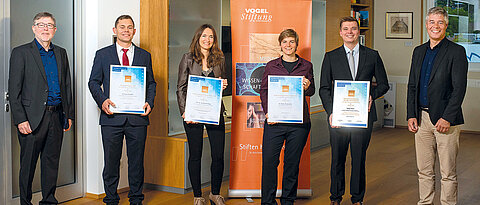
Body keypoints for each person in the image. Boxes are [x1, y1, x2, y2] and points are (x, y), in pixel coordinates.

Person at [319, 16, 389, 205]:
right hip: (338, 117)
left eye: (353, 28)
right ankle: (335, 197)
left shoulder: (372, 55)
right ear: (340, 32)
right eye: (346, 29)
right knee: (337, 159)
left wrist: (371, 95)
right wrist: (330, 112)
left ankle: (357, 198)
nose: (350, 32)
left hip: (362, 117)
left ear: (359, 32)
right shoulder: (331, 57)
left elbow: (384, 84)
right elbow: (324, 88)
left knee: (359, 159)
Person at [88, 15, 156, 205]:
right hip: (111, 118)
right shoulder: (103, 54)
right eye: (122, 27)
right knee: (111, 162)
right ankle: (111, 199)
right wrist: (102, 101)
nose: (126, 30)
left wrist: (150, 102)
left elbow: (151, 83)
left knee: (136, 162)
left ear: (134, 31)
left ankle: (136, 199)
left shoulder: (145, 55)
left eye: (130, 27)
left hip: (138, 119)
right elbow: (93, 82)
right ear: (114, 30)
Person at [8, 12, 74, 205]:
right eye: (41, 25)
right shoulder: (21, 52)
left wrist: (68, 114)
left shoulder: (61, 53)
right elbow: (14, 89)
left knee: (51, 163)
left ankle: (48, 201)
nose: (46, 29)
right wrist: (20, 119)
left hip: (56, 116)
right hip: (31, 118)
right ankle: (25, 202)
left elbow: (67, 85)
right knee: (28, 166)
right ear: (34, 28)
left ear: (55, 30)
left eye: (49, 25)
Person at [407, 7, 468, 205]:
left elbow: (459, 89)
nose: (436, 26)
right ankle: (424, 202)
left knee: (447, 172)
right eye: (432, 22)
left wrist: (447, 117)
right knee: (424, 170)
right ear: (426, 25)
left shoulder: (457, 52)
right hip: (421, 119)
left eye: (440, 22)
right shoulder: (418, 51)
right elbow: (412, 86)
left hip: (445, 120)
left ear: (446, 25)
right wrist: (411, 115)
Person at [260, 29, 315, 205]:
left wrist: (307, 86)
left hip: (298, 124)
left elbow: (312, 90)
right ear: (280, 44)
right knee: (269, 162)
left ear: (296, 44)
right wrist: (268, 111)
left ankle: (287, 201)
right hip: (275, 122)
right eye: (285, 42)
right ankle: (268, 201)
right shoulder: (271, 66)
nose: (288, 45)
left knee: (291, 164)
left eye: (291, 41)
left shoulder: (306, 66)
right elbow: (264, 91)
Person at [176, 24, 228, 205]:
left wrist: (222, 86)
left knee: (218, 154)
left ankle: (215, 193)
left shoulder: (220, 59)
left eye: (211, 37)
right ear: (198, 38)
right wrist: (184, 112)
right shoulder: (188, 58)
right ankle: (198, 196)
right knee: (195, 154)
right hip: (193, 113)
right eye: (204, 36)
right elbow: (180, 88)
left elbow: (220, 86)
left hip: (214, 112)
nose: (208, 40)